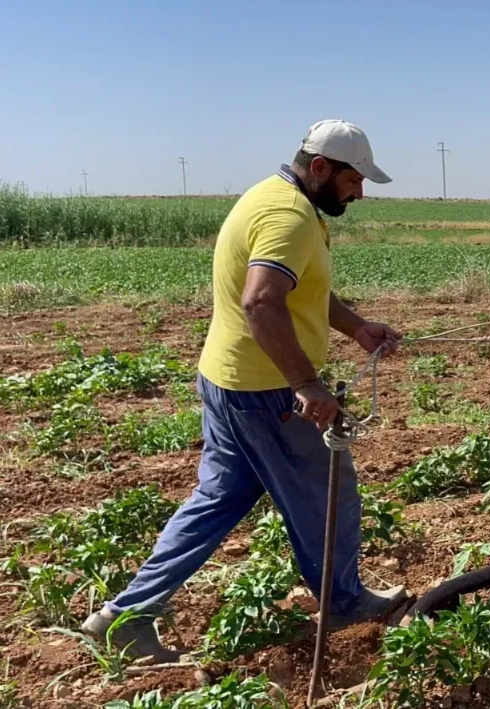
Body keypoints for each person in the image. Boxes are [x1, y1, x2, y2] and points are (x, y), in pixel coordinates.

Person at [81, 119, 407, 661]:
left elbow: (296, 289)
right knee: (331, 495)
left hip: (227, 381)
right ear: (321, 168)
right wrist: (306, 383)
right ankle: (345, 603)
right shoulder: (289, 216)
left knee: (218, 500)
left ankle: (124, 617)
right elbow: (261, 301)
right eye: (353, 179)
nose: (360, 191)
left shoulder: (273, 197)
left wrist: (354, 327)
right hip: (268, 393)